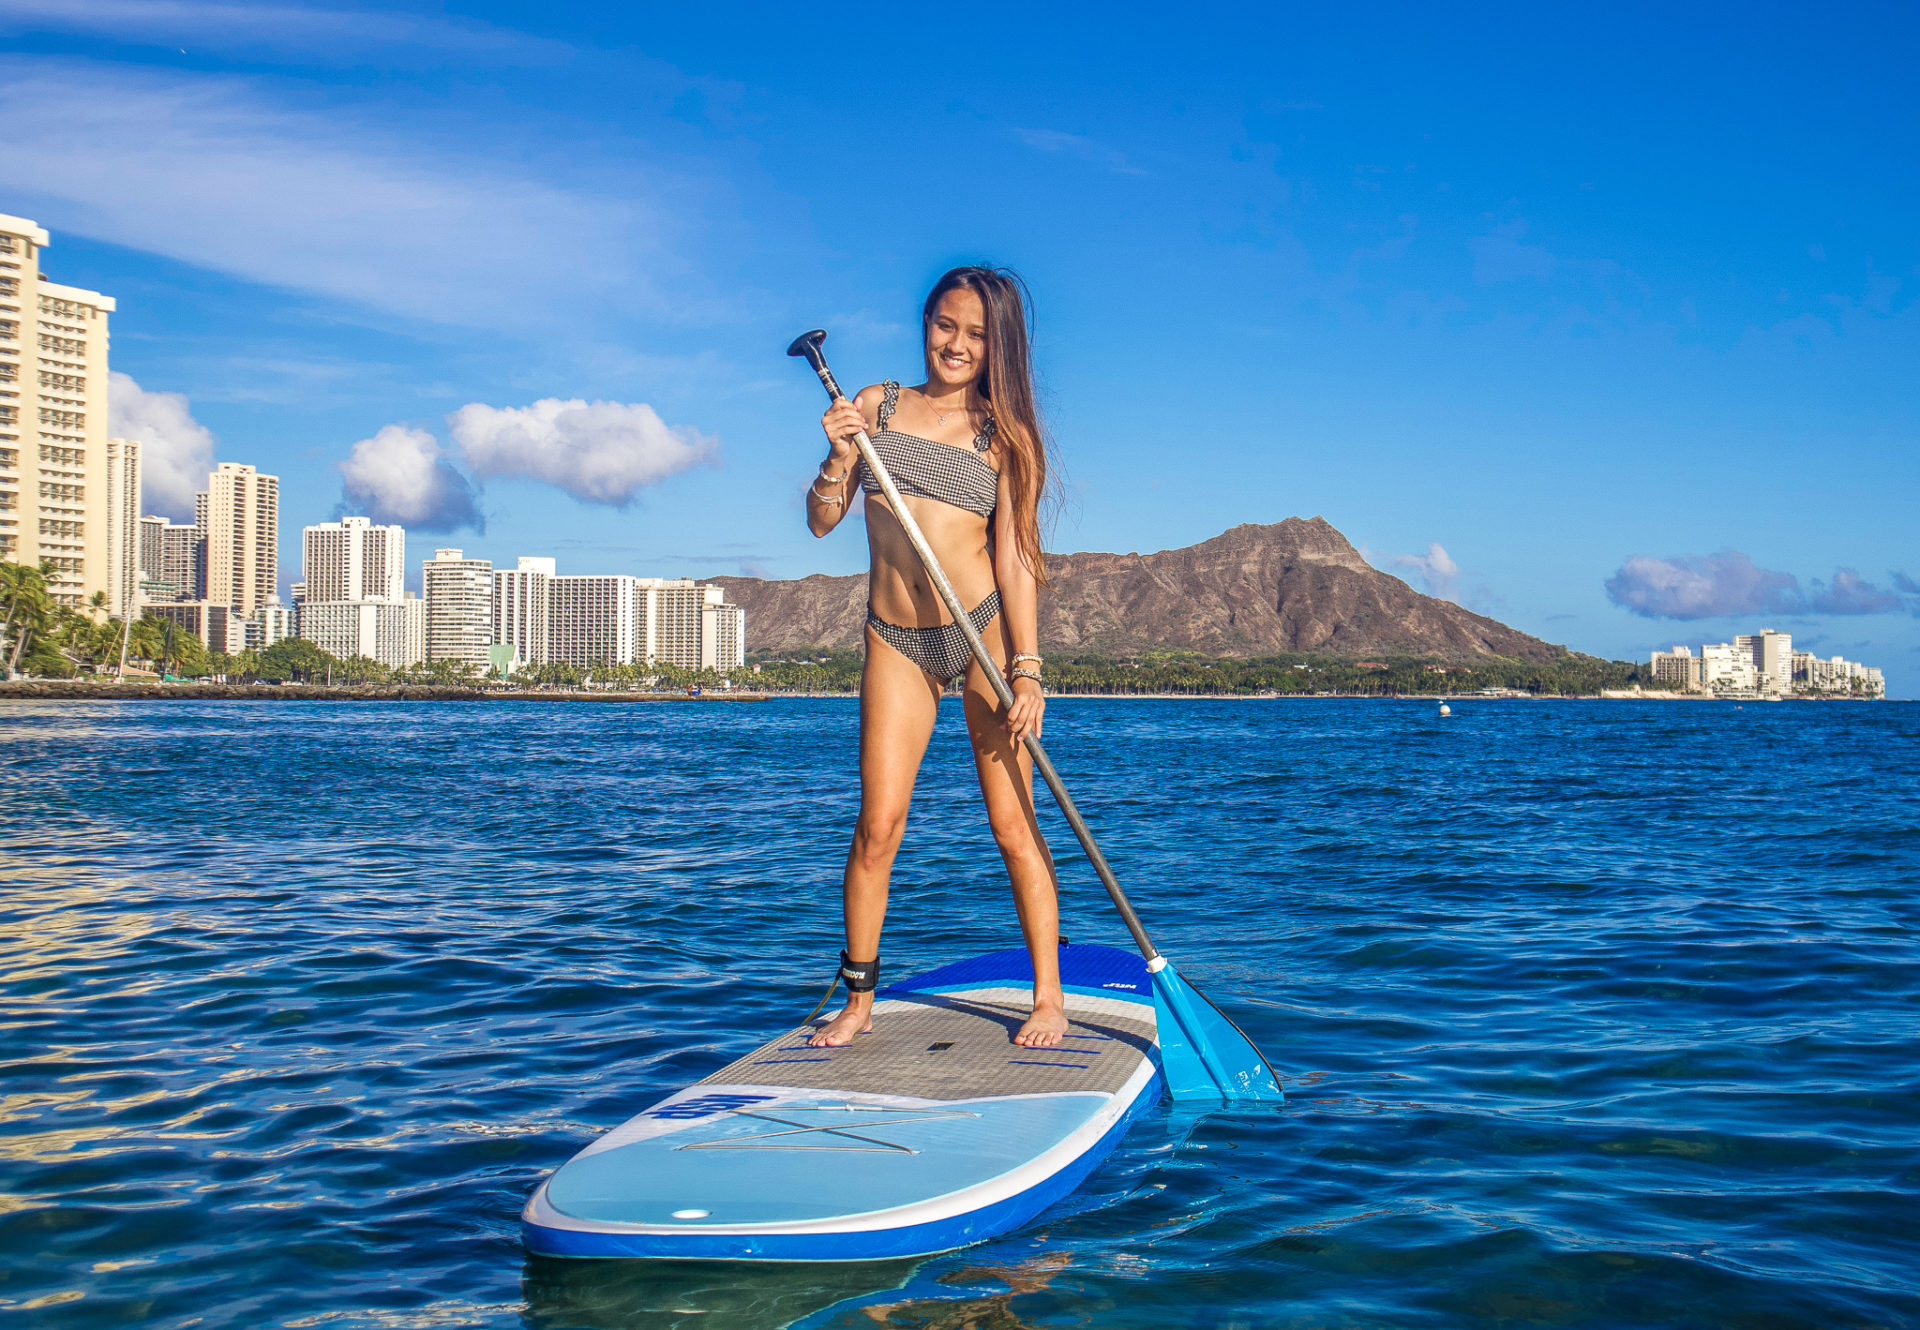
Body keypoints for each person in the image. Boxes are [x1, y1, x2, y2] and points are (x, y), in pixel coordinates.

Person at [804, 265, 1064, 1049]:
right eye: (945, 325)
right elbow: (821, 523)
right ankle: (857, 1001)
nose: (957, 344)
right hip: (896, 639)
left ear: (999, 347)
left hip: (981, 635)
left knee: (1013, 823)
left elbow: (1017, 556)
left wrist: (1027, 668)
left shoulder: (1004, 435)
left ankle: (1047, 996)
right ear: (925, 323)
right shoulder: (877, 406)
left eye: (977, 335)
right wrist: (840, 459)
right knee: (878, 827)